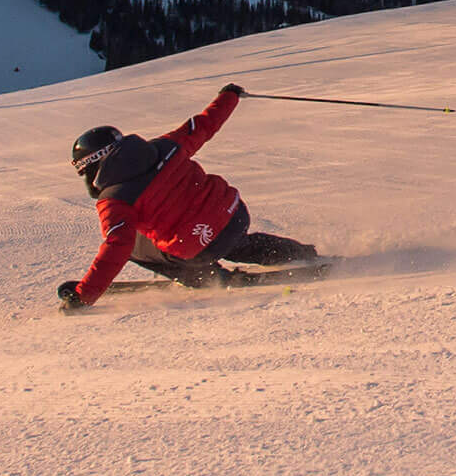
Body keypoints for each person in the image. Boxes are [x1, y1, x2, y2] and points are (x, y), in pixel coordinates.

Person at [59, 83, 321, 308]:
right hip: (234, 215)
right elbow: (205, 124)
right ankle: (299, 252)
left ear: (95, 164)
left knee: (135, 248)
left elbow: (117, 246)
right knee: (230, 240)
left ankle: (211, 278)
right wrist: (228, 96)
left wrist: (84, 296)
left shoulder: (115, 200)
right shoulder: (165, 146)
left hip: (198, 248)